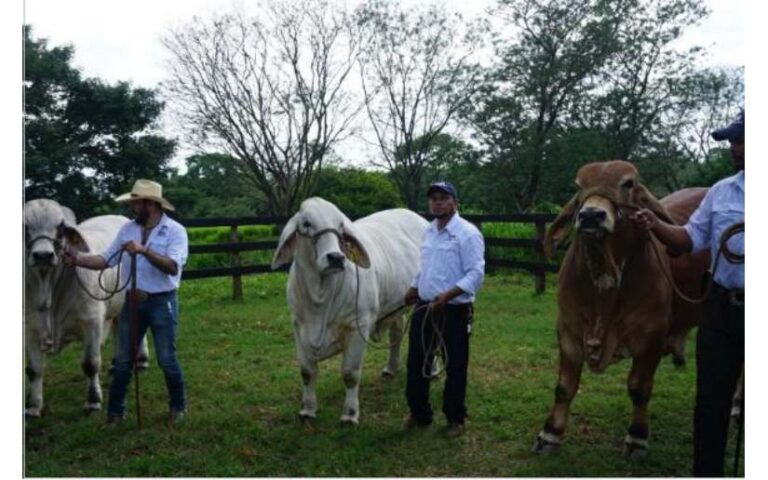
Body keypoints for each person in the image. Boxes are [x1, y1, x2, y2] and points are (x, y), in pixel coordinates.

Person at [632, 111, 744, 476]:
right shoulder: (721, 192)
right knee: (710, 401)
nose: (735, 148)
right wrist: (655, 225)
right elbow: (690, 239)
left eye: (742, 140)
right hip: (722, 307)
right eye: (733, 141)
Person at [62, 179, 189, 425]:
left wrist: (144, 251)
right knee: (122, 361)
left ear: (150, 204)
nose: (133, 207)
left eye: (136, 203)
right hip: (132, 303)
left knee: (166, 359)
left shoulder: (175, 231)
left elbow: (172, 267)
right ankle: (115, 413)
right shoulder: (128, 229)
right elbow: (105, 260)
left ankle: (178, 407)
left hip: (162, 302)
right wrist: (77, 260)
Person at [403, 181, 485, 437]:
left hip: (454, 310)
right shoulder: (428, 231)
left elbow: (476, 274)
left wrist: (449, 295)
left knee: (455, 365)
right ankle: (419, 412)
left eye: (443, 198)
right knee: (416, 362)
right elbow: (425, 266)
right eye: (433, 198)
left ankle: (455, 418)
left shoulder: (467, 233)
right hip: (425, 307)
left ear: (455, 202)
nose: (437, 202)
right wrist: (414, 287)